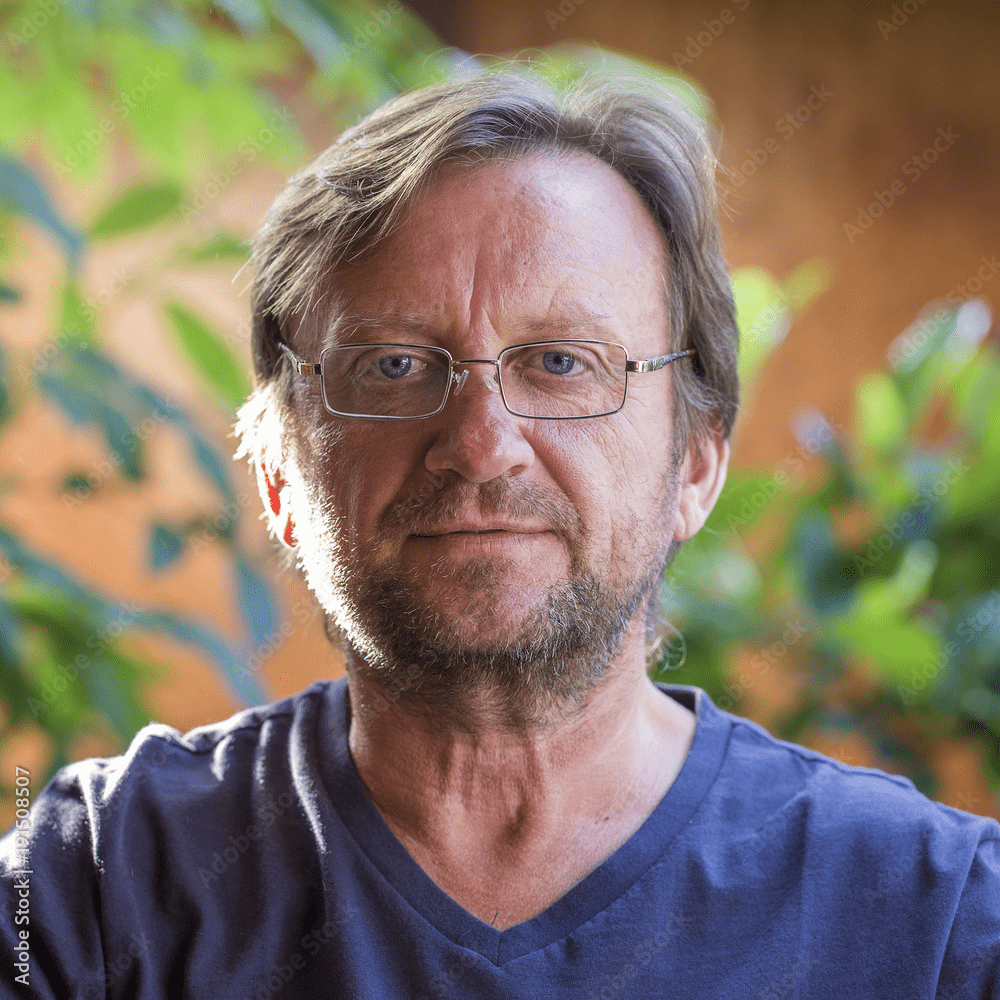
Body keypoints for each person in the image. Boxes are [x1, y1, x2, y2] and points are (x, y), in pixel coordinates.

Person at [2, 72, 998, 1000]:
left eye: (561, 362)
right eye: (392, 366)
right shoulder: (96, 885)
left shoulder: (936, 920)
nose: (481, 446)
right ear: (278, 475)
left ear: (694, 462)